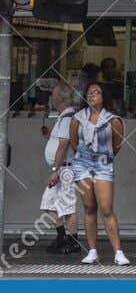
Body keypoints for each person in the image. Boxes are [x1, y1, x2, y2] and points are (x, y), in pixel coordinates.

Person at [58, 81, 128, 265]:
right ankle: (92, 251)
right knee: (89, 207)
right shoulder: (77, 118)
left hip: (103, 165)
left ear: (104, 97)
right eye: (89, 92)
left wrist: (103, 157)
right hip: (82, 165)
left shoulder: (113, 120)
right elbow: (74, 142)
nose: (91, 95)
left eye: (96, 92)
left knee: (106, 208)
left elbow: (116, 145)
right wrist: (85, 157)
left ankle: (118, 252)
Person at [39, 81, 81, 255]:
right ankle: (62, 236)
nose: (51, 98)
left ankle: (73, 241)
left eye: (53, 95)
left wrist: (55, 171)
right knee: (49, 204)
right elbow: (61, 141)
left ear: (59, 98)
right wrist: (50, 136)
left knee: (68, 207)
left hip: (64, 170)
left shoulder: (67, 118)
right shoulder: (63, 117)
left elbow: (63, 146)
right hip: (61, 169)